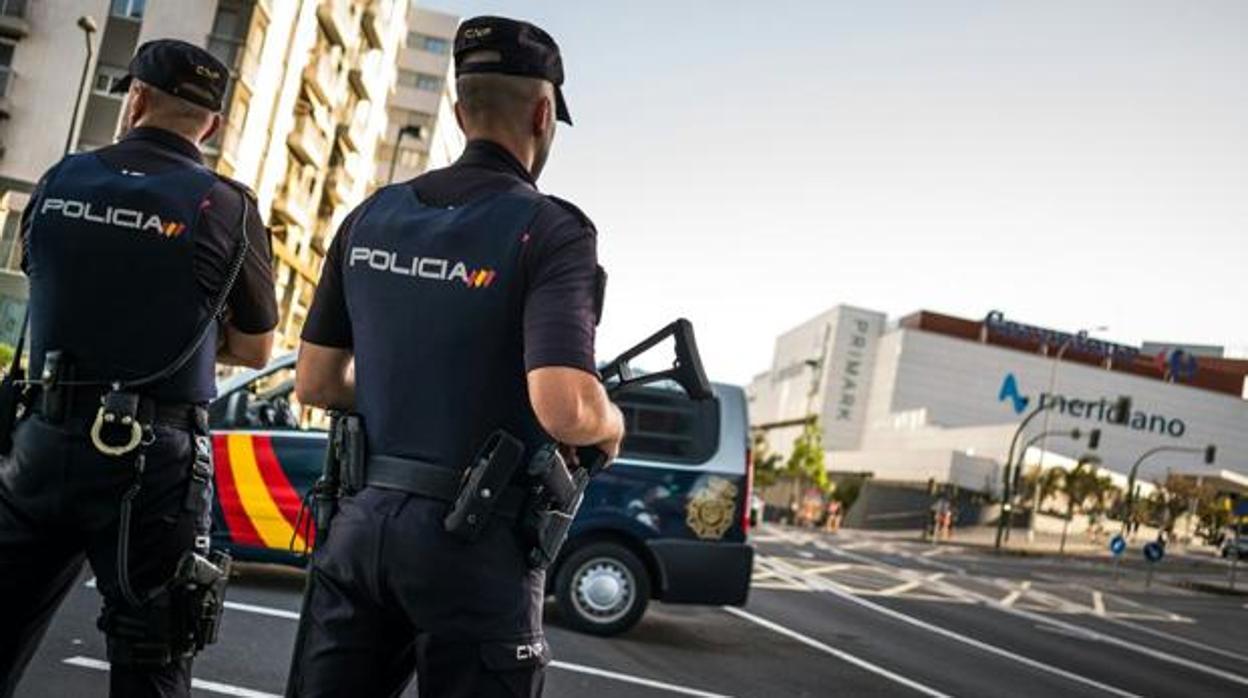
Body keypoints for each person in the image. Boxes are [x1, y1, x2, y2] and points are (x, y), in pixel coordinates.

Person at [286, 16, 622, 698]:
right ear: (543, 113)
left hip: (360, 528)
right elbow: (564, 406)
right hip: (475, 548)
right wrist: (610, 423)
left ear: (460, 108)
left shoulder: (371, 215)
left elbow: (316, 382)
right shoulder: (551, 230)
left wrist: (402, 383)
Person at [0, 40, 277, 698]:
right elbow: (259, 349)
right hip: (152, 465)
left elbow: (47, 288)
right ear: (210, 123)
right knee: (152, 660)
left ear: (137, 100)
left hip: (40, 442)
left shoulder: (60, 179)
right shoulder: (228, 206)